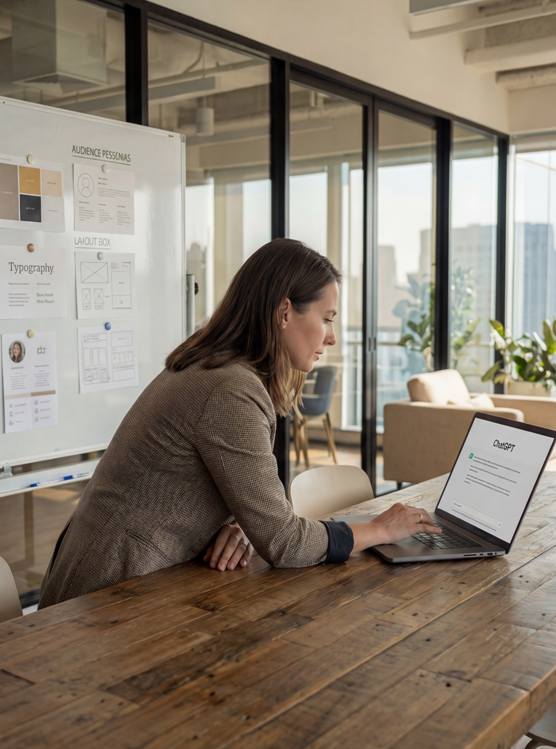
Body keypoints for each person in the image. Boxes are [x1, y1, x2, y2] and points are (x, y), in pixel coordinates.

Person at [38, 239, 441, 608]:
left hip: (132, 582)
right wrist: (379, 530)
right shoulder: (230, 389)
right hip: (106, 595)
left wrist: (242, 523)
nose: (332, 337)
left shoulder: (219, 370)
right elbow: (285, 543)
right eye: (328, 317)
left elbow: (242, 501)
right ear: (285, 312)